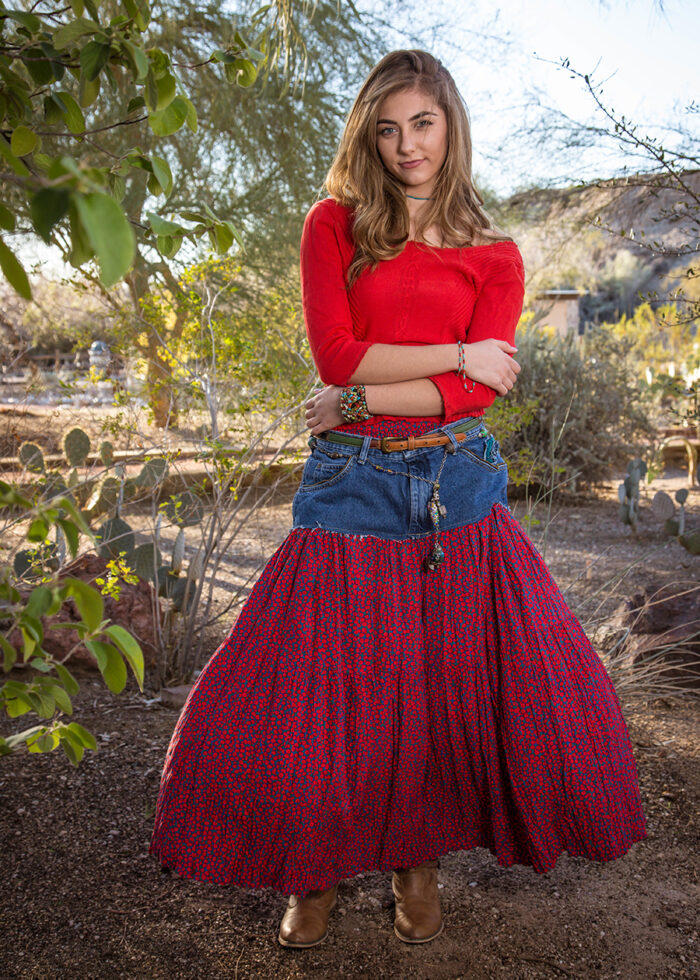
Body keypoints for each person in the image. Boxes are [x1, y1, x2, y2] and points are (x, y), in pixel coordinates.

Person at [149, 49, 647, 950]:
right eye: (387, 128)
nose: (406, 144)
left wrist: (370, 397)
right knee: (326, 689)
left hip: (459, 483)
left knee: (440, 685)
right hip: (350, 482)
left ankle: (417, 865)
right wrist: (454, 357)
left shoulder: (494, 250)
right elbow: (342, 357)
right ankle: (314, 871)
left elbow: (478, 398)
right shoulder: (333, 224)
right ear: (368, 136)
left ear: (449, 123)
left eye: (421, 123)